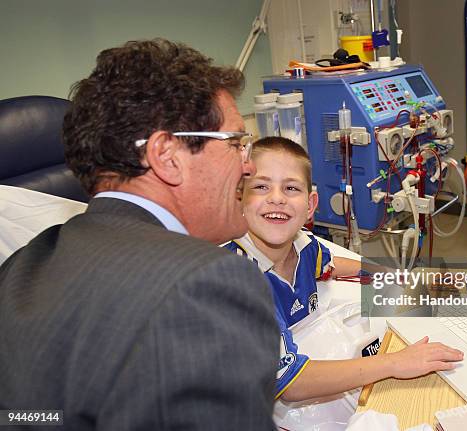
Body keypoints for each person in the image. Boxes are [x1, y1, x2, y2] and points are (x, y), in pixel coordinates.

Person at [0, 39, 278, 430]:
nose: (249, 167)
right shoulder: (205, 282)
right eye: (236, 143)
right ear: (167, 156)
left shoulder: (24, 266)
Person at [225, 136, 463, 404]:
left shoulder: (303, 245)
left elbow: (332, 265)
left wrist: (396, 277)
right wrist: (395, 363)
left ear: (310, 206)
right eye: (261, 186)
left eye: (291, 188)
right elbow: (291, 383)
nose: (277, 198)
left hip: (305, 344)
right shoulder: (239, 278)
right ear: (240, 198)